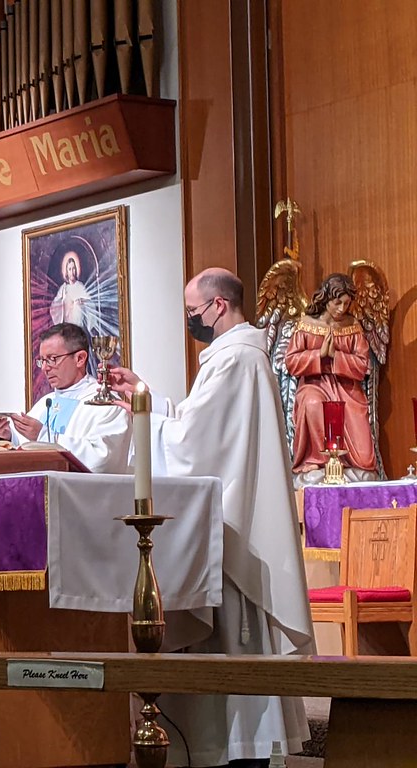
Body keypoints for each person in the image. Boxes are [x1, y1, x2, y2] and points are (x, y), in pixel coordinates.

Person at [109, 268, 314, 768]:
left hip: (232, 536)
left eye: (192, 312)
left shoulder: (236, 360)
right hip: (232, 519)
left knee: (230, 661)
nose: (190, 321)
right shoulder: (239, 358)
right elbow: (197, 428)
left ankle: (236, 749)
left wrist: (142, 419)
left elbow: (191, 445)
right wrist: (148, 399)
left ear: (218, 306)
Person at [0, 322, 130, 473]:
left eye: (52, 359)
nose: (45, 368)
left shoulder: (106, 403)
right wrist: (6, 436)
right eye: (42, 360)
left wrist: (42, 435)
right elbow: (23, 450)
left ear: (79, 358)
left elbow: (102, 458)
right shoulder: (44, 403)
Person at [283, 273, 376, 480]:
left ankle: (347, 467)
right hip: (314, 384)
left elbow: (362, 365)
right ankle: (319, 462)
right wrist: (319, 355)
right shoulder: (306, 325)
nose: (342, 309)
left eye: (346, 303)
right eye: (337, 303)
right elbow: (291, 362)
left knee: (364, 458)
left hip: (347, 390)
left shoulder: (352, 326)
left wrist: (337, 356)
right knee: (313, 403)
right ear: (326, 299)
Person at [49, 252, 91, 326]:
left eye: (73, 268)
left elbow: (90, 302)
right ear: (67, 271)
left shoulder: (80, 286)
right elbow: (54, 306)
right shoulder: (63, 288)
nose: (72, 272)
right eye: (70, 269)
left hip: (79, 325)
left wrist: (81, 301)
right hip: (67, 325)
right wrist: (63, 301)